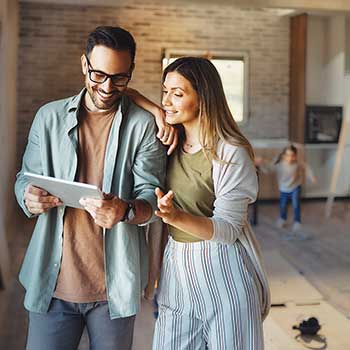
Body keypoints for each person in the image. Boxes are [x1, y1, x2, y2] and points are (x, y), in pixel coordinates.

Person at [14, 26, 167, 350]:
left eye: (119, 78)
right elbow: (24, 179)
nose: (108, 87)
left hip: (114, 290)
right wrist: (29, 197)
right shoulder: (49, 117)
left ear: (131, 73)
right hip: (51, 283)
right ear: (84, 64)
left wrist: (124, 210)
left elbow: (151, 200)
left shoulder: (143, 125)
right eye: (98, 74)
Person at [129, 57, 270, 350]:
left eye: (177, 94)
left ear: (203, 99)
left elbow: (228, 230)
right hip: (176, 271)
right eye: (164, 91)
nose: (167, 100)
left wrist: (174, 216)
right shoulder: (168, 141)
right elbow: (125, 93)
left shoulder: (231, 152)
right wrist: (157, 110)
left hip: (224, 274)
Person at [257, 144, 316, 233]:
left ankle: (297, 221)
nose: (290, 158)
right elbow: (268, 169)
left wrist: (311, 177)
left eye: (293, 155)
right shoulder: (278, 164)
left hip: (295, 186)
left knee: (296, 205)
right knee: (283, 205)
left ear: (295, 156)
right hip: (283, 188)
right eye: (288, 155)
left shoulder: (297, 162)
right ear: (284, 155)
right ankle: (282, 218)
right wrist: (261, 165)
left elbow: (306, 167)